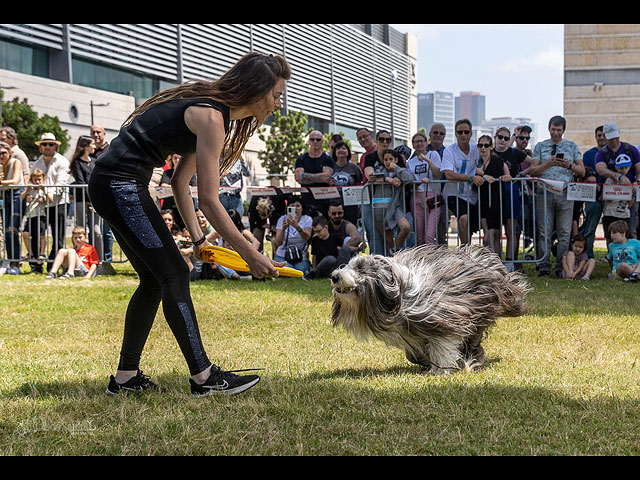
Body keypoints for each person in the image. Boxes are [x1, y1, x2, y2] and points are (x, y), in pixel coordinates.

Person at [88, 52, 290, 396]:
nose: (277, 103)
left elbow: (182, 182)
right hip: (119, 183)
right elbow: (210, 201)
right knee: (175, 274)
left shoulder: (213, 114)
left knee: (155, 281)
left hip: (114, 182)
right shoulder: (212, 117)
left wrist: (199, 240)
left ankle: (124, 378)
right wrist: (252, 255)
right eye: (275, 95)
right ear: (256, 90)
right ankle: (204, 377)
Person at [528, 115, 584, 277]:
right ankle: (544, 266)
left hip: (565, 193)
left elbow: (582, 170)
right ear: (549, 128)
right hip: (544, 193)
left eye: (559, 130)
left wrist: (569, 166)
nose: (556, 133)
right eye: (553, 129)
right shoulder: (540, 146)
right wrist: (548, 164)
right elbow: (533, 170)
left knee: (564, 233)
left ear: (564, 130)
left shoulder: (572, 146)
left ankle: (561, 267)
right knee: (544, 231)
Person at [31, 133, 71, 272]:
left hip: (59, 203)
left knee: (58, 236)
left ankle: (53, 266)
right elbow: (32, 182)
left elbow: (61, 183)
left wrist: (49, 195)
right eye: (44, 144)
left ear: (56, 146)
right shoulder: (37, 163)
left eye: (50, 144)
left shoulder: (63, 161)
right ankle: (36, 265)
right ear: (40, 147)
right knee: (37, 234)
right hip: (41, 205)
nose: (47, 147)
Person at [442, 119, 484, 246]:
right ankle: (466, 253)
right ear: (455, 134)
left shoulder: (477, 149)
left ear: (471, 133)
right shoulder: (449, 151)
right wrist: (471, 178)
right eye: (460, 132)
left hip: (474, 195)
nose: (463, 135)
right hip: (454, 194)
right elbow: (448, 174)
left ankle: (486, 255)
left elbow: (491, 160)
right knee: (463, 218)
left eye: (466, 132)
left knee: (480, 223)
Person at [595, 121, 640, 238]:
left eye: (615, 137)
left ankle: (633, 253)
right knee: (611, 229)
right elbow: (601, 169)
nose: (614, 140)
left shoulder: (631, 149)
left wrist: (636, 182)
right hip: (612, 197)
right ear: (605, 136)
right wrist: (618, 176)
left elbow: (639, 169)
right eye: (610, 138)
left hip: (630, 192)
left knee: (631, 228)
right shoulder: (602, 153)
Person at [492, 127, 530, 267]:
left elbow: (534, 163)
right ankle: (496, 263)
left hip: (512, 193)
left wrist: (520, 175)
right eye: (500, 137)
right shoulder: (489, 152)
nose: (502, 140)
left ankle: (509, 263)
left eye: (506, 138)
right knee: (495, 231)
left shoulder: (514, 153)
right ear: (495, 137)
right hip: (494, 195)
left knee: (511, 231)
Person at [69, 135, 104, 259]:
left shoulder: (94, 162)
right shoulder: (77, 163)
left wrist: (96, 201)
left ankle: (98, 260)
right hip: (81, 200)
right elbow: (80, 182)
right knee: (80, 230)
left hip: (93, 201)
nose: (94, 146)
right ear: (85, 146)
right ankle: (80, 258)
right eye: (92, 144)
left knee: (96, 232)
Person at [476, 135, 510, 256]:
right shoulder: (476, 162)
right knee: (487, 236)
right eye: (480, 145)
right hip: (483, 200)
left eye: (486, 145)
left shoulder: (497, 161)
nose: (483, 148)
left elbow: (503, 175)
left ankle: (497, 263)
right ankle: (490, 264)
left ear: (491, 147)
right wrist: (479, 173)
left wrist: (482, 173)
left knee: (494, 235)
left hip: (496, 200)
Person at [375, 148, 413, 254]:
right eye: (386, 159)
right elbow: (371, 178)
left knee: (405, 227)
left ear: (396, 159)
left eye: (390, 159)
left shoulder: (400, 171)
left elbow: (409, 178)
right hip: (381, 207)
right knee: (388, 240)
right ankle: (392, 257)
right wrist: (387, 179)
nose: (388, 162)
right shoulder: (379, 170)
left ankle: (396, 248)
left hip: (396, 206)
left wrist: (397, 169)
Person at [407, 132, 442, 246]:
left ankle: (432, 262)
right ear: (413, 144)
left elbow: (438, 175)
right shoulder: (410, 163)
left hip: (433, 197)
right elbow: (410, 181)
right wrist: (418, 182)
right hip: (417, 197)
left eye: (421, 141)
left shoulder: (434, 154)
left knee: (430, 236)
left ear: (426, 143)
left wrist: (428, 161)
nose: (419, 144)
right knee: (420, 237)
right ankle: (421, 261)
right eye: (416, 142)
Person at [362, 130, 394, 254]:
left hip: (392, 199)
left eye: (388, 140)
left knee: (391, 230)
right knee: (374, 231)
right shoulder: (370, 157)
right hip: (372, 198)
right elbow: (370, 176)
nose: (384, 142)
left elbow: (402, 176)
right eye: (381, 139)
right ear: (376, 141)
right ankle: (376, 261)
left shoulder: (394, 155)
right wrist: (387, 179)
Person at [580, 127, 607, 259]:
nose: (601, 137)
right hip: (593, 198)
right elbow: (585, 174)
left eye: (604, 135)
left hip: (612, 197)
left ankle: (612, 257)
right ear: (595, 136)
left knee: (611, 229)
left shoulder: (612, 154)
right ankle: (588, 256)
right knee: (589, 230)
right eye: (599, 135)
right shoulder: (588, 155)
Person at [294, 130, 335, 218]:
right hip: (306, 200)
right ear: (309, 141)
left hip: (324, 200)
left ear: (322, 142)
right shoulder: (301, 158)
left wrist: (305, 175)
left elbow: (326, 177)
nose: (315, 141)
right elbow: (299, 178)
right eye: (312, 139)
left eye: (318, 139)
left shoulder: (327, 159)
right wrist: (320, 177)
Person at [20, 168, 52, 274]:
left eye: (39, 179)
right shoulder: (31, 189)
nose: (37, 182)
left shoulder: (44, 188)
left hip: (41, 215)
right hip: (30, 215)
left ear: (43, 179)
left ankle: (42, 253)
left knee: (41, 235)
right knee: (25, 234)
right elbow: (21, 197)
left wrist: (43, 192)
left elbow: (50, 199)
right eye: (35, 179)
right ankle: (31, 254)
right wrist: (27, 193)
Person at [89, 124, 113, 262]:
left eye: (98, 132)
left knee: (106, 230)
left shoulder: (110, 149)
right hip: (92, 194)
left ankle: (107, 259)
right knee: (93, 230)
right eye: (93, 132)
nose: (96, 135)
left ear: (104, 134)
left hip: (106, 194)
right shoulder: (89, 150)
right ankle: (94, 259)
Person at [601, 154, 636, 246]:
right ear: (616, 167)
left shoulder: (630, 181)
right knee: (610, 237)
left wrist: (633, 194)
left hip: (624, 215)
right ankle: (610, 256)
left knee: (624, 237)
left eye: (625, 168)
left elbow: (630, 204)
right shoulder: (609, 180)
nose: (623, 170)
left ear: (629, 167)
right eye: (621, 168)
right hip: (610, 213)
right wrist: (616, 190)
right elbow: (606, 198)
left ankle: (623, 255)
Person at [0, 140, 25, 269]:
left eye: (4, 153)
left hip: (17, 195)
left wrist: (1, 181)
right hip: (5, 195)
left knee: (12, 229)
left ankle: (15, 260)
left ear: (9, 153)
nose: (2, 156)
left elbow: (15, 181)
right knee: (6, 230)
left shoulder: (16, 162)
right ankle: (10, 260)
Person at [305, 215, 352, 280]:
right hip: (323, 267)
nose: (317, 234)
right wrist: (314, 268)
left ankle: (338, 274)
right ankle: (313, 273)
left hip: (335, 267)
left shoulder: (336, 238)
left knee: (346, 250)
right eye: (314, 232)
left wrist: (359, 248)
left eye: (319, 231)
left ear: (326, 227)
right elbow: (314, 257)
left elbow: (344, 249)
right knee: (330, 259)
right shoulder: (315, 240)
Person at [273, 197, 312, 274]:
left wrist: (297, 227)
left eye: (298, 206)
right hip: (283, 255)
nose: (295, 208)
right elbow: (278, 243)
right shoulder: (282, 219)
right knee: (289, 271)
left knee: (300, 271)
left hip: (300, 256)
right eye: (292, 206)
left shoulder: (307, 219)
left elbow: (307, 237)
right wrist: (283, 229)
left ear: (302, 208)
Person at [329, 140, 362, 225]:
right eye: (338, 148)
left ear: (348, 152)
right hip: (333, 204)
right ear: (335, 152)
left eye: (344, 148)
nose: (341, 150)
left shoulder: (354, 168)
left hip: (350, 204)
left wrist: (359, 207)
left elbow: (359, 185)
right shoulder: (329, 168)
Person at [427, 123, 448, 246]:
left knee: (441, 231)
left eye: (441, 133)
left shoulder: (447, 152)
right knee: (424, 232)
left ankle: (443, 262)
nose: (438, 135)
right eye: (435, 132)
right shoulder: (421, 150)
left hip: (441, 197)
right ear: (430, 134)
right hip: (423, 197)